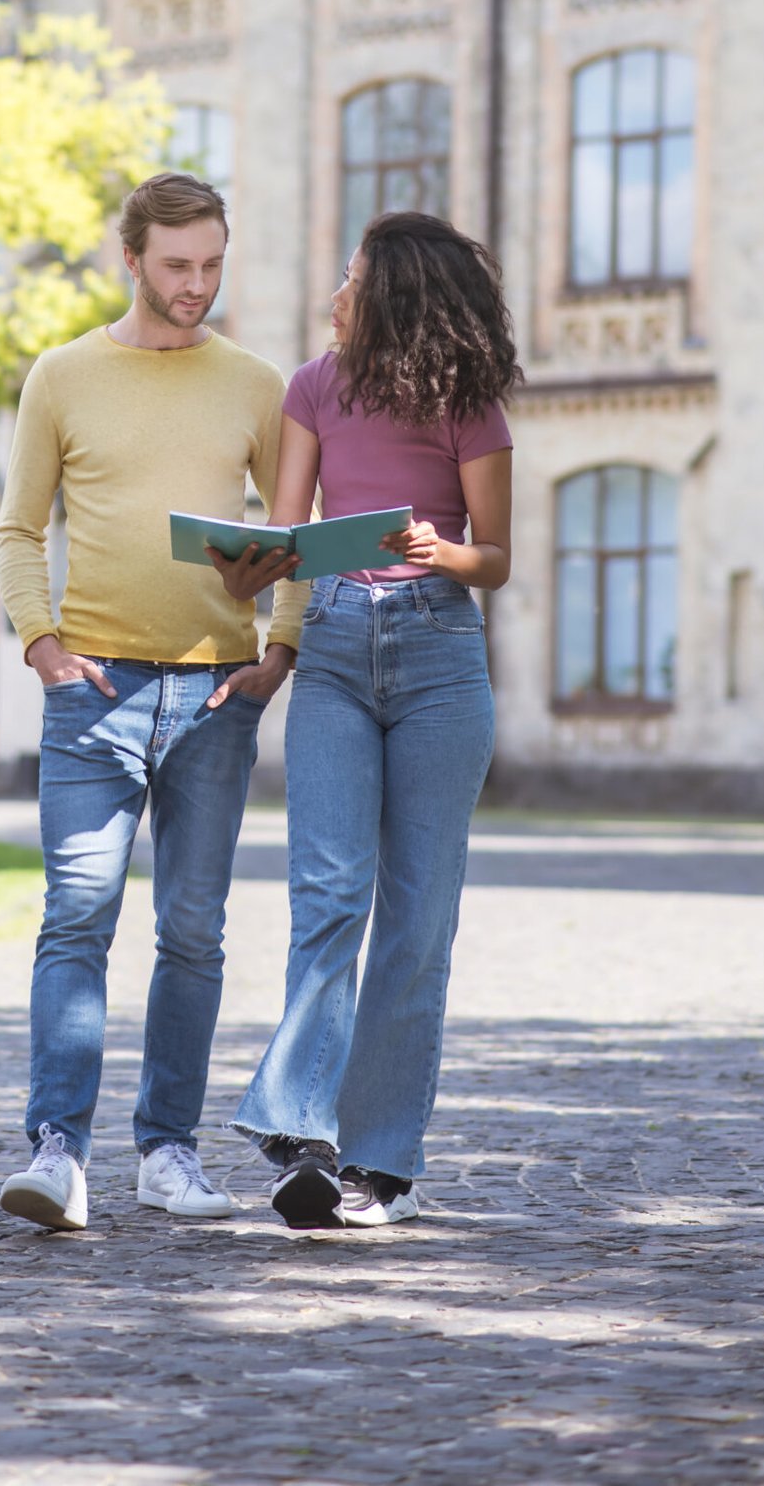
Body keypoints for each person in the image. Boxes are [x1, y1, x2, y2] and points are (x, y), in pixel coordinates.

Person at [0, 172, 309, 1232]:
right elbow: (16, 527)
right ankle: (56, 1153)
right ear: (129, 258)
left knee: (192, 931)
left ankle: (167, 1151)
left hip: (218, 692)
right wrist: (38, 641)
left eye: (212, 265)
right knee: (76, 915)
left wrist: (281, 648)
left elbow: (299, 532)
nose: (195, 285)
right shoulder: (63, 375)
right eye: (177, 266)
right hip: (94, 688)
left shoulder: (256, 384)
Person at [216, 210, 518, 1230]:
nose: (333, 295)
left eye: (349, 279)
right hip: (338, 648)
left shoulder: (470, 407)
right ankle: (301, 1129)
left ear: (391, 294)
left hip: (439, 654)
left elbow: (498, 559)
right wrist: (254, 572)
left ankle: (381, 1164)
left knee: (417, 921)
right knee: (330, 895)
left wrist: (439, 550)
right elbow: (295, 537)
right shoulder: (312, 387)